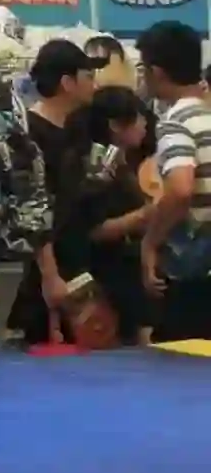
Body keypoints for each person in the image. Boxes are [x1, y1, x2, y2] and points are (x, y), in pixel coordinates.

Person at [7, 39, 102, 344]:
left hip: (76, 261)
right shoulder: (29, 135)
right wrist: (50, 274)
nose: (95, 84)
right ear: (67, 82)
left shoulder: (75, 129)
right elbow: (32, 209)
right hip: (46, 269)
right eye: (88, 76)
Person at [136, 20, 211, 341]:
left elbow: (180, 190)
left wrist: (150, 242)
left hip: (194, 278)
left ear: (157, 72)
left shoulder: (175, 122)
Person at [75, 86, 158, 344]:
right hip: (109, 275)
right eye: (138, 117)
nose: (144, 124)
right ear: (115, 125)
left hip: (128, 271)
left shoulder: (126, 163)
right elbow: (93, 229)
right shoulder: (97, 168)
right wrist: (145, 214)